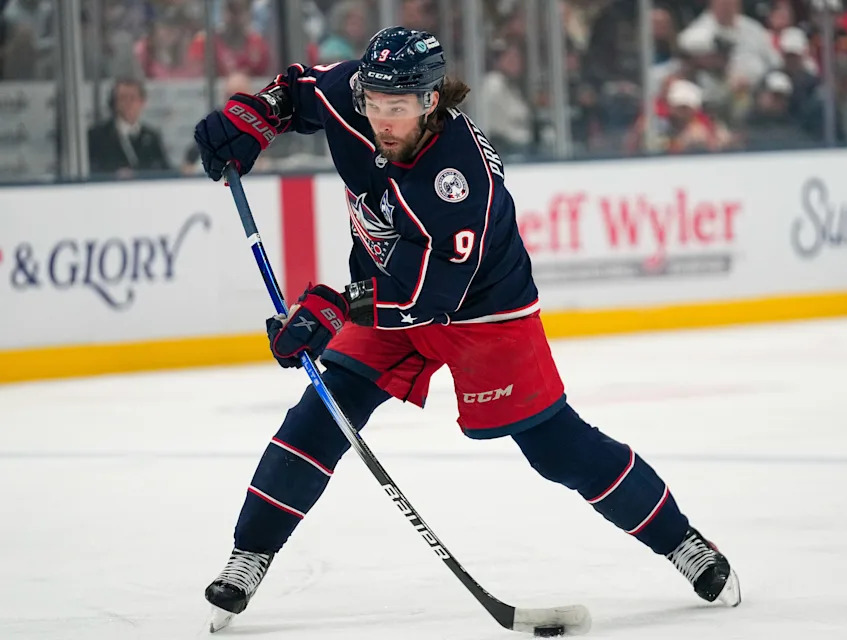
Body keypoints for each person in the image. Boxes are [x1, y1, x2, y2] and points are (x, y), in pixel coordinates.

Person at [192, 26, 742, 632]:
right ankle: (251, 554)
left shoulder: (458, 180)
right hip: (383, 294)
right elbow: (297, 93)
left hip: (483, 312)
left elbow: (427, 296)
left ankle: (681, 542)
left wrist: (334, 309)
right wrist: (251, 120)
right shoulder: (359, 93)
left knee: (557, 449)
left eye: (396, 109)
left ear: (431, 102)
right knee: (321, 416)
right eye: (374, 105)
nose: (381, 120)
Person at [88, 77, 171, 177]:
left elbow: (165, 170)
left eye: (132, 98)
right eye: (122, 98)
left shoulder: (152, 137)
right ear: (114, 103)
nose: (128, 103)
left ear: (142, 102)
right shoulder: (97, 136)